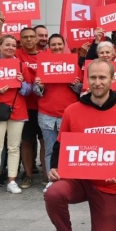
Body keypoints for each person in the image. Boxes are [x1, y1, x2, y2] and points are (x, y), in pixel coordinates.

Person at [45, 59, 116, 231]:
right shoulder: (72, 110)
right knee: (53, 193)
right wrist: (54, 167)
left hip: (108, 183)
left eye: (102, 77)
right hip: (78, 179)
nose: (97, 82)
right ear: (87, 79)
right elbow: (60, 145)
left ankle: (115, 218)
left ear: (112, 79)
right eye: (93, 77)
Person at [0, 34, 34, 196]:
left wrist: (21, 82)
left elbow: (29, 91)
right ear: (0, 46)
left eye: (13, 45)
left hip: (17, 110)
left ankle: (12, 181)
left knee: (14, 147)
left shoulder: (21, 65)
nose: (10, 48)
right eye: (7, 45)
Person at [36, 34, 82, 182]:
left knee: (69, 150)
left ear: (64, 45)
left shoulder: (73, 64)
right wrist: (40, 86)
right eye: (53, 44)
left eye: (59, 44)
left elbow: (82, 90)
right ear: (49, 47)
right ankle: (52, 181)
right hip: (47, 114)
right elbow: (36, 91)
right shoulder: (43, 64)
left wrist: (75, 85)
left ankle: (68, 180)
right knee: (50, 150)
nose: (57, 47)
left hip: (68, 113)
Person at [17, 27, 45, 189]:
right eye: (25, 37)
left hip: (44, 106)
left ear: (36, 39)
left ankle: (46, 175)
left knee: (44, 141)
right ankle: (27, 175)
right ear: (20, 40)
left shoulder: (46, 56)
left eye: (31, 36)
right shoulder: (16, 55)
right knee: (26, 141)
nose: (29, 39)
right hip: (24, 106)